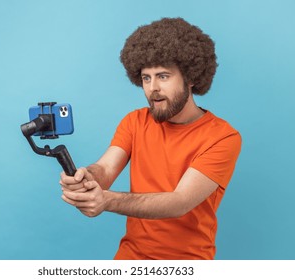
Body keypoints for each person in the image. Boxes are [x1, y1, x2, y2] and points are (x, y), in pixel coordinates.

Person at [59, 17, 242, 260]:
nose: (152, 88)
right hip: (130, 258)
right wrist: (87, 178)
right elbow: (105, 168)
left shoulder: (222, 137)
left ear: (191, 78)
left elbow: (180, 201)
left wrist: (107, 201)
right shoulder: (135, 121)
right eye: (146, 78)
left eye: (163, 76)